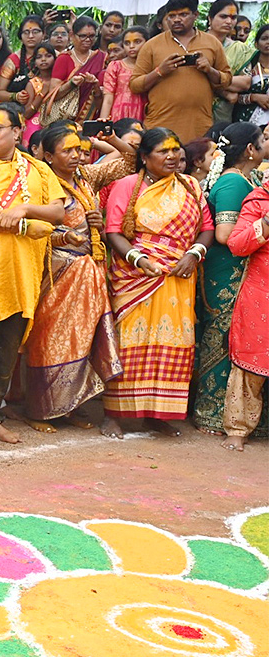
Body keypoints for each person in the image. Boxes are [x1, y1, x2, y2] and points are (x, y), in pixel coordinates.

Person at [0, 103, 64, 443]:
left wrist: (25, 208)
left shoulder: (37, 169)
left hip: (22, 275)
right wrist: (21, 226)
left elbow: (57, 212)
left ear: (18, 132)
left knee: (6, 351)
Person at [101, 128, 215, 437]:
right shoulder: (127, 186)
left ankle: (156, 413)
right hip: (136, 275)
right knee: (129, 344)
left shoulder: (190, 185)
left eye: (176, 149)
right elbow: (113, 232)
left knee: (171, 343)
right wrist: (139, 260)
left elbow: (207, 227)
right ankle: (114, 413)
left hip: (179, 276)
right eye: (163, 151)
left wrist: (194, 253)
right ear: (144, 157)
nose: (173, 156)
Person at [22, 122, 130, 430]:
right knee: (51, 339)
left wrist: (108, 140)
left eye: (79, 150)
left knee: (81, 338)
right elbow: (32, 227)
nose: (76, 156)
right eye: (67, 151)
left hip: (89, 270)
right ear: (48, 156)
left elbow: (131, 161)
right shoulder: (41, 184)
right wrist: (61, 238)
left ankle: (71, 406)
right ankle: (40, 409)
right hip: (56, 272)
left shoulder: (87, 177)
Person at [194, 123, 267, 437]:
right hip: (229, 272)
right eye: (262, 139)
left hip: (240, 269)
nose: (266, 143)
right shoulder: (234, 184)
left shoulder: (246, 179)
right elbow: (225, 234)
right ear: (250, 150)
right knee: (224, 341)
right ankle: (211, 414)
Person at [130, 0, 232, 144]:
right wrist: (160, 71)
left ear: (195, 14)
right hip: (161, 125)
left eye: (183, 15)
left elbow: (226, 80)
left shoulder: (212, 43)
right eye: (171, 16)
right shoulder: (152, 45)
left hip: (200, 126)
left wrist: (209, 69)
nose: (176, 20)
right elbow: (134, 84)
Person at [223, 175, 269, 450]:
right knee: (251, 360)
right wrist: (265, 223)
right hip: (262, 290)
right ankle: (238, 429)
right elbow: (236, 244)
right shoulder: (259, 201)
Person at [45, 16, 105, 123]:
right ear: (72, 35)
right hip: (66, 119)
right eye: (83, 36)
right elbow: (54, 94)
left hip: (92, 118)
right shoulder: (64, 59)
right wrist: (71, 84)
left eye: (92, 36)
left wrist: (95, 86)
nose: (88, 40)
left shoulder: (102, 58)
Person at [101, 26, 149, 122]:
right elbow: (108, 98)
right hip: (119, 112)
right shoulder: (115, 66)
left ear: (147, 43)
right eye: (127, 43)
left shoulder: (151, 66)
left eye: (137, 42)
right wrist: (103, 121)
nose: (131, 46)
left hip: (144, 112)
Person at [0, 16, 46, 105]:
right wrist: (16, 96)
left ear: (43, 34)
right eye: (26, 32)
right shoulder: (14, 60)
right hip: (21, 108)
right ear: (21, 36)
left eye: (35, 32)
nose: (30, 36)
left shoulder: (55, 56)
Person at [231, 24, 269, 126]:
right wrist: (254, 97)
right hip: (245, 121)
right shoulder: (247, 65)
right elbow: (233, 96)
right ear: (256, 44)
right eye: (264, 38)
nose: (268, 42)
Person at [21, 42, 58, 143]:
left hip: (56, 121)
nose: (43, 59)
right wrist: (42, 94)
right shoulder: (32, 83)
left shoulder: (60, 81)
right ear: (35, 62)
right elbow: (27, 113)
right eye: (39, 57)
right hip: (36, 123)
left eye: (48, 56)